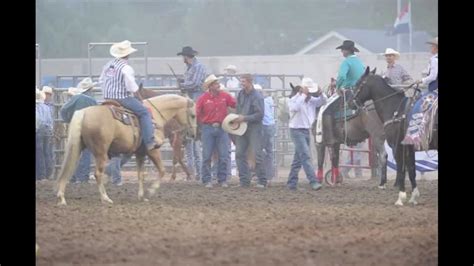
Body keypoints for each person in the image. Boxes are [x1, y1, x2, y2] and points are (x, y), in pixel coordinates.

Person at [99, 40, 160, 151]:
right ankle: (149, 141)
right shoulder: (126, 68)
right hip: (122, 98)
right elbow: (131, 86)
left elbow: (101, 80)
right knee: (144, 112)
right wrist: (137, 94)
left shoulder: (108, 65)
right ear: (128, 54)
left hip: (107, 98)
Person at [196, 74, 236, 188]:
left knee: (223, 155)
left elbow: (234, 104)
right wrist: (202, 125)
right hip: (208, 127)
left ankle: (221, 179)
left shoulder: (224, 96)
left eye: (217, 83)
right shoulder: (203, 98)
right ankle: (208, 179)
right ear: (210, 86)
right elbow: (197, 113)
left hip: (221, 127)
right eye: (216, 83)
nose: (218, 85)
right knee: (207, 155)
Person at [287, 78, 326, 190]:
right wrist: (303, 95)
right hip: (296, 130)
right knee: (305, 155)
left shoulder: (310, 100)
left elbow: (323, 101)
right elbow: (295, 108)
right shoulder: (294, 100)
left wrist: (321, 93)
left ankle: (291, 183)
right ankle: (313, 181)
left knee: (298, 158)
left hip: (305, 130)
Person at [177, 46, 207, 181]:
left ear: (186, 56)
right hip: (190, 97)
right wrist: (183, 83)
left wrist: (184, 84)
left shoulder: (198, 67)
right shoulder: (190, 68)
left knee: (194, 141)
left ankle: (199, 173)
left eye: (183, 56)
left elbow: (195, 83)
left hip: (196, 97)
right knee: (189, 142)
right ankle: (192, 173)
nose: (182, 59)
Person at [402, 37, 438, 150]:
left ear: (436, 48)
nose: (430, 48)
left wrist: (421, 81)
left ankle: (415, 137)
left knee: (418, 106)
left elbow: (433, 76)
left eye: (432, 46)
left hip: (435, 90)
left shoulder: (434, 59)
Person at [59, 78, 98, 183]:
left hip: (75, 128)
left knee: (74, 153)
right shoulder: (93, 101)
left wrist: (68, 120)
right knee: (86, 153)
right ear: (90, 89)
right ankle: (83, 177)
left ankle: (73, 176)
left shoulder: (76, 98)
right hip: (89, 129)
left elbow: (63, 109)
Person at [233, 74, 267, 188]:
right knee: (239, 153)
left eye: (243, 81)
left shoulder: (257, 96)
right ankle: (244, 180)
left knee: (257, 153)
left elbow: (260, 114)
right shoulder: (241, 94)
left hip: (254, 127)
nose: (242, 83)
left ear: (249, 82)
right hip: (243, 126)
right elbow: (238, 108)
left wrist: (244, 118)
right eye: (241, 81)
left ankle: (262, 180)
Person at [254, 84, 276, 183]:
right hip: (270, 125)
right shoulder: (268, 100)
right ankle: (269, 173)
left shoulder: (260, 101)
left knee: (259, 150)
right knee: (269, 150)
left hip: (264, 126)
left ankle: (261, 172)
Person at [36, 88, 54, 181]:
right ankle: (48, 173)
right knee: (47, 152)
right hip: (47, 130)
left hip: (38, 130)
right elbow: (50, 120)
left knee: (39, 153)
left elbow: (38, 120)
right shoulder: (46, 107)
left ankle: (41, 175)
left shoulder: (37, 107)